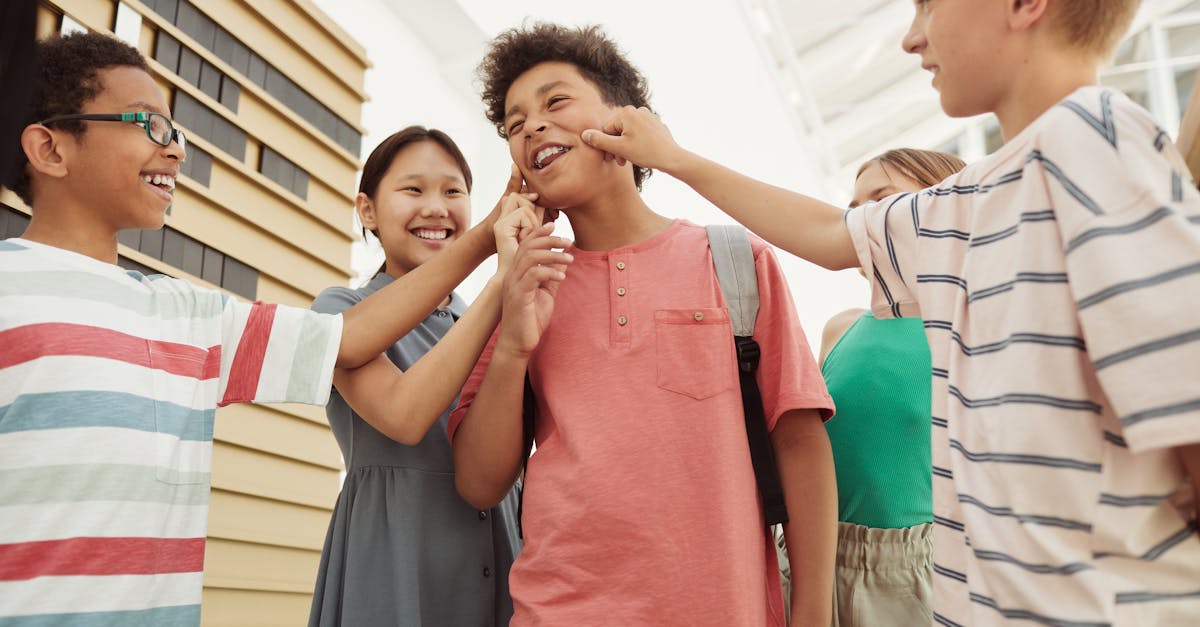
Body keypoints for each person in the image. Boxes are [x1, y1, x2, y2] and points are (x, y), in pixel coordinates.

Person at [580, 0, 1200, 624]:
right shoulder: (974, 197)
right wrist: (675, 158)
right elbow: (831, 234)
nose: (911, 38)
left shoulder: (1094, 143)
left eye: (929, 6)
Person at [0, 31, 568, 625]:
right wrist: (491, 257)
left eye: (176, 132)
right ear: (51, 149)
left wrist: (491, 245)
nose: (175, 151)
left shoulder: (186, 315)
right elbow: (389, 393)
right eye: (150, 125)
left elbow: (346, 340)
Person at [448, 23, 837, 627]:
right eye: (514, 123)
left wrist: (812, 615)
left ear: (627, 119)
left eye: (555, 102)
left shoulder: (735, 261)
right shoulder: (525, 285)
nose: (532, 128)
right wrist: (514, 346)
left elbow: (800, 443)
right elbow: (478, 483)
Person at [307, 127, 558, 626]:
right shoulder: (340, 311)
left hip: (499, 551)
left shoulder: (502, 317)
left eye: (452, 190)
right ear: (367, 210)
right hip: (395, 556)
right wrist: (500, 277)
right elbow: (405, 417)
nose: (436, 208)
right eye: (413, 189)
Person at [821, 148, 964, 627]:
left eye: (881, 200)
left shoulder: (969, 328)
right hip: (818, 561)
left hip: (921, 577)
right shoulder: (840, 329)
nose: (861, 221)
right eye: (854, 209)